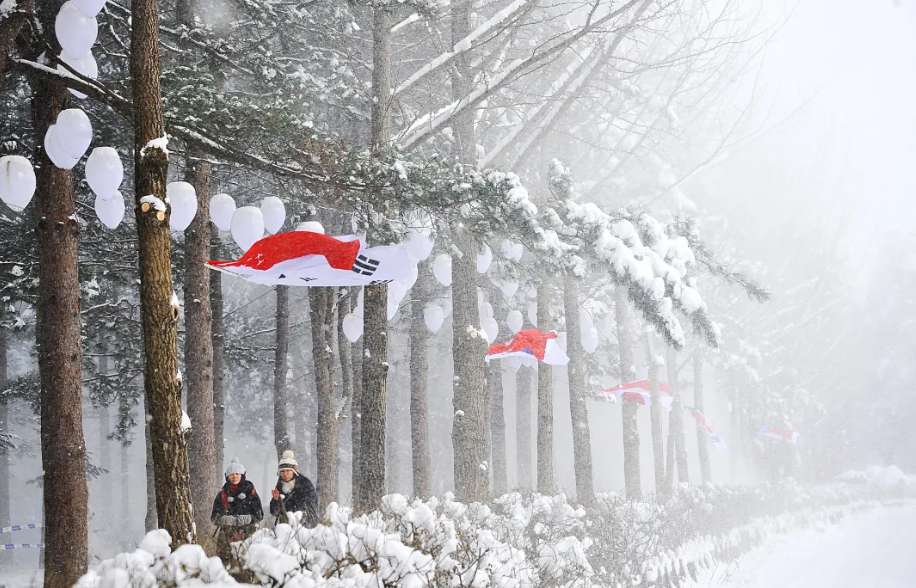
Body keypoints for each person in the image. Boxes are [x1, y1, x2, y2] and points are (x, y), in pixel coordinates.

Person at [211, 458, 263, 564]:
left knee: (248, 561)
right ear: (227, 477)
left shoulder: (251, 492)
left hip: (248, 533)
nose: (234, 476)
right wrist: (224, 519)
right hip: (227, 535)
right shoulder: (222, 494)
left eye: (237, 474)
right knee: (224, 563)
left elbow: (259, 514)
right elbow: (214, 518)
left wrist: (248, 519)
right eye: (231, 474)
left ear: (242, 475)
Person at [269, 450, 319, 527]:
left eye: (288, 471)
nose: (285, 474)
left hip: (304, 526)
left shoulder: (305, 484)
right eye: (282, 471)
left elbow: (311, 507)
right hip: (286, 527)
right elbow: (274, 512)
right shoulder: (279, 486)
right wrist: (276, 500)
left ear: (293, 471)